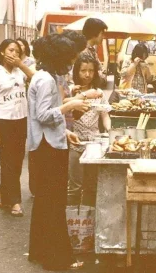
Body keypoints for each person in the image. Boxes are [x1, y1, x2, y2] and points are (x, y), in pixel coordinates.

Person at [27, 34, 88, 271]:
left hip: (48, 143)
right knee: (53, 202)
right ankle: (57, 258)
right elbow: (43, 115)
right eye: (69, 60)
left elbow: (45, 116)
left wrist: (64, 133)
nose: (70, 65)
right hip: (48, 148)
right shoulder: (45, 80)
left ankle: (40, 251)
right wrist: (69, 106)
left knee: (45, 202)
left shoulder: (46, 77)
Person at [0, 39, 35, 217]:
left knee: (17, 160)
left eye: (17, 52)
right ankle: (15, 202)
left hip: (20, 119)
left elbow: (35, 78)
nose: (14, 54)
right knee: (7, 162)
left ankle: (4, 195)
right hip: (3, 121)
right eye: (11, 50)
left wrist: (20, 64)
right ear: (1, 52)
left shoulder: (20, 71)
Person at [68, 56, 111, 206]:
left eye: (91, 71)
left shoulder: (99, 93)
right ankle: (72, 222)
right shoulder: (71, 91)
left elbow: (105, 115)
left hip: (94, 143)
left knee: (91, 186)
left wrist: (109, 129)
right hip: (74, 142)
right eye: (83, 71)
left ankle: (89, 222)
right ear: (76, 72)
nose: (87, 74)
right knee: (74, 186)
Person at [81, 18, 108, 88]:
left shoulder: (92, 50)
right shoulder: (84, 52)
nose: (103, 37)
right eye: (102, 34)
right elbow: (98, 77)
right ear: (94, 33)